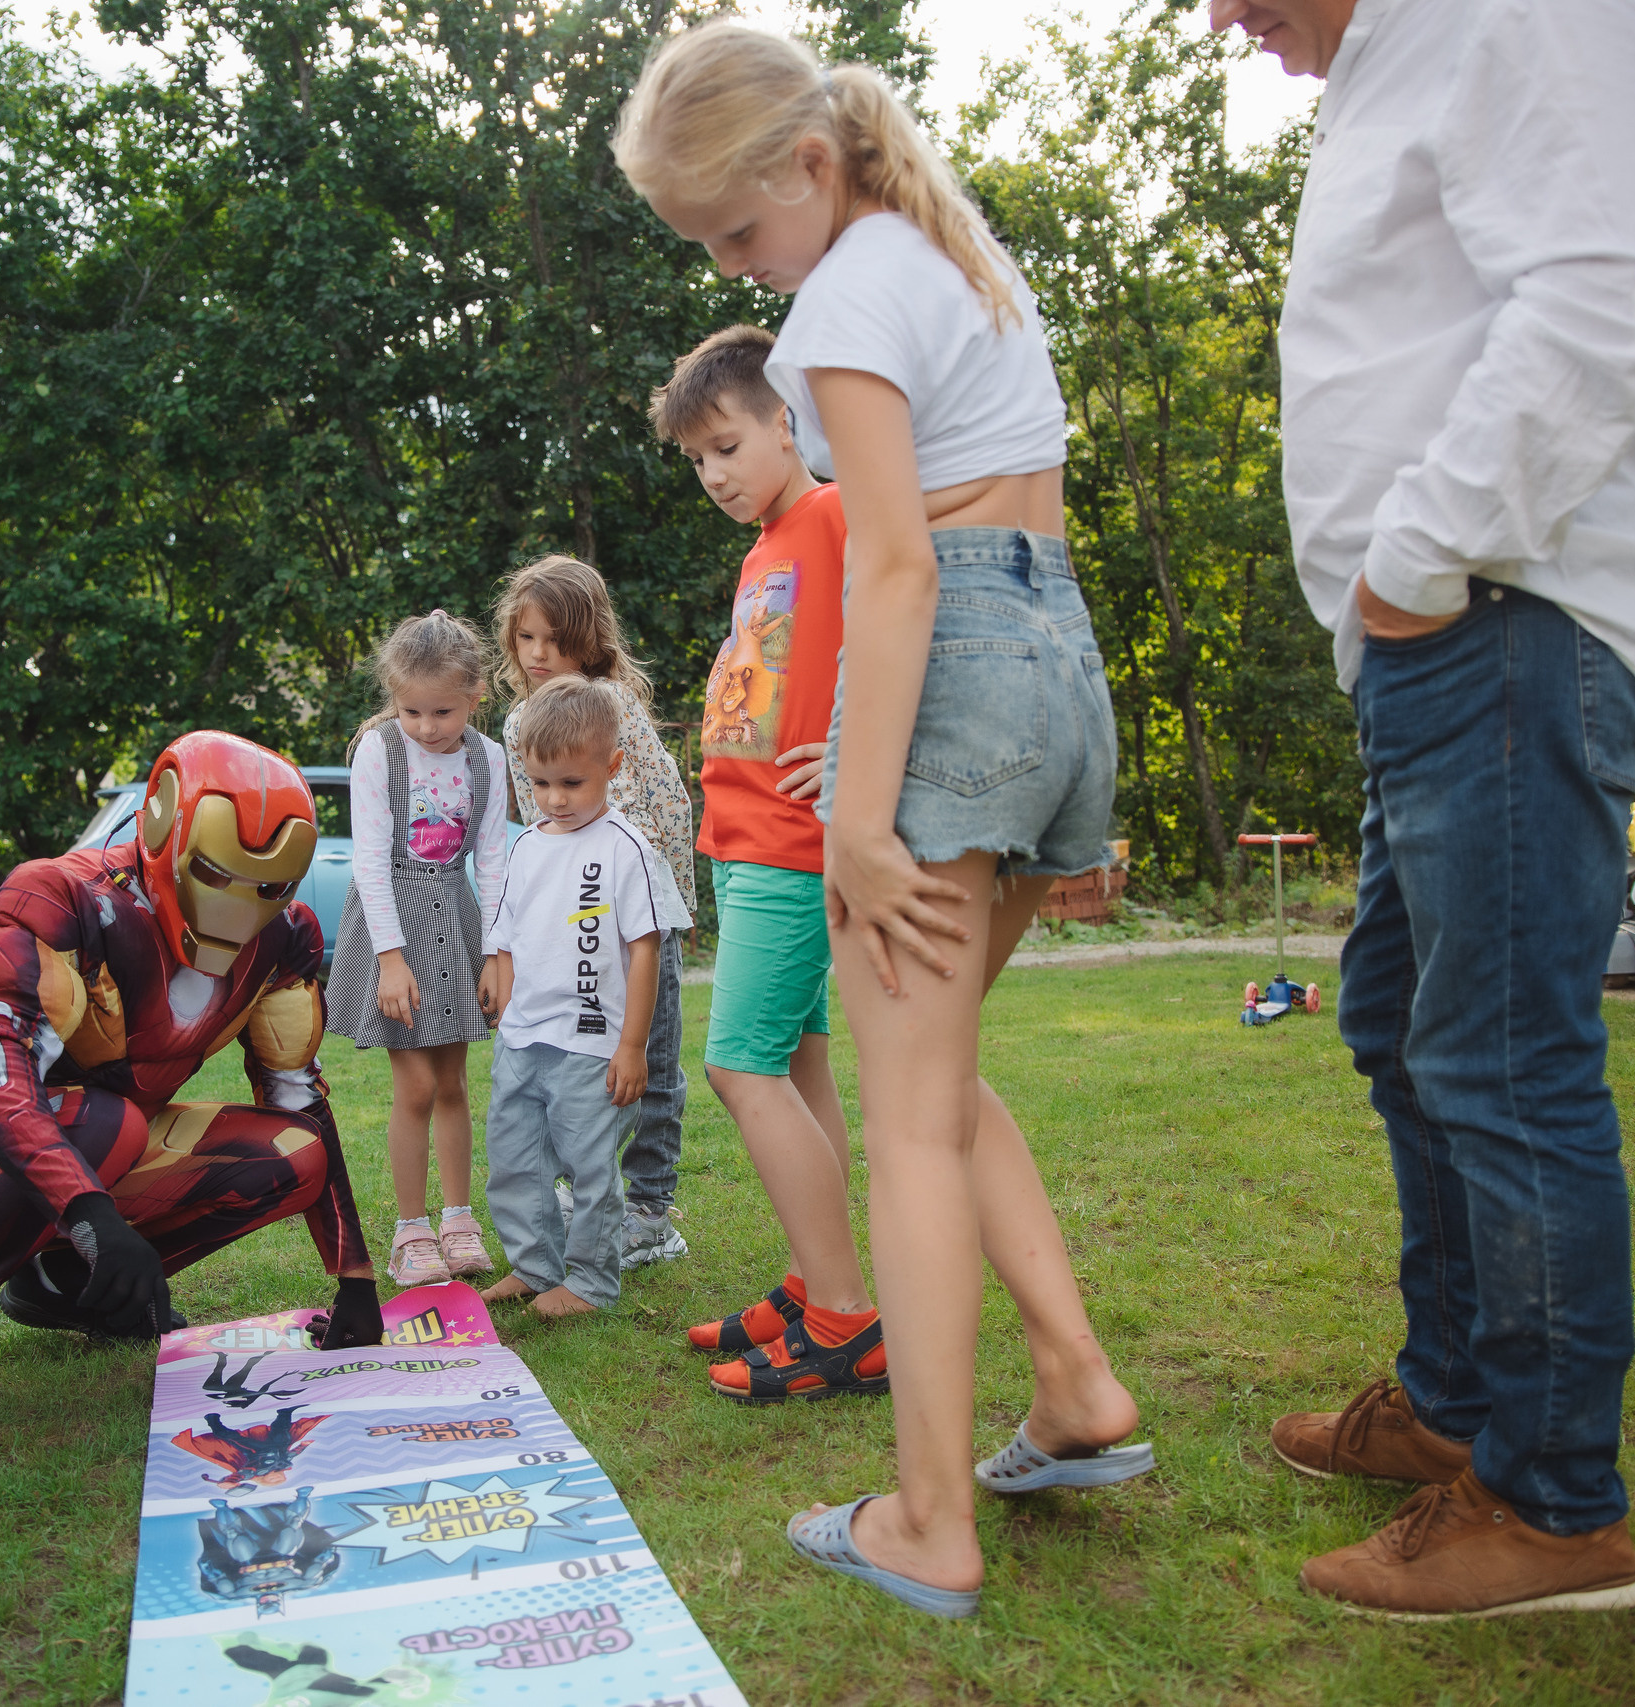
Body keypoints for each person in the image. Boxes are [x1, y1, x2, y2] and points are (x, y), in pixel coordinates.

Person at [615, 21, 1150, 1618]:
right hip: (1057, 653)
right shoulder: (951, 247)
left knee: (905, 1119)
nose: (736, 267)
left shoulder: (840, 298)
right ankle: (1074, 1386)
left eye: (731, 232)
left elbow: (902, 567)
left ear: (804, 164)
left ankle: (928, 1517)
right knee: (942, 1075)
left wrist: (853, 814)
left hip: (962, 656)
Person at [1210, 0, 1635, 1618]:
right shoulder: (1403, 42)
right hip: (1448, 635)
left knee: (1501, 1054)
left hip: (1511, 602)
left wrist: (1419, 558)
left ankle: (1556, 1498)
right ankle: (1455, 1404)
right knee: (1393, 1018)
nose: (1227, 16)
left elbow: (1606, 290)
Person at [0, 730, 385, 1437]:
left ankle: (64, 1284)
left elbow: (296, 1091)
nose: (238, 909)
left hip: (92, 1139)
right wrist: (92, 1216)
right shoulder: (58, 895)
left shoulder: (284, 936)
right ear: (162, 829)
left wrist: (353, 1274)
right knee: (109, 1123)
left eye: (265, 888)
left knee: (293, 1151)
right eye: (217, 873)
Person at [651, 324, 868, 1394]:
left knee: (736, 1064)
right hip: (741, 841)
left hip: (791, 847)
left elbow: (916, 610)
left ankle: (843, 1318)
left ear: (788, 420)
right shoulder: (765, 548)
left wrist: (863, 745)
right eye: (697, 459)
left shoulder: (832, 514)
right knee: (797, 1062)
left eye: (729, 446)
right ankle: (812, 1277)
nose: (714, 475)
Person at [493, 556, 696, 1270]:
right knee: (583, 1054)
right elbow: (536, 822)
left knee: (653, 1058)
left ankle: (649, 1207)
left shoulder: (616, 707)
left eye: (553, 637)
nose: (539, 654)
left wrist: (667, 902)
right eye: (526, 639)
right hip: (572, 921)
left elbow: (667, 801)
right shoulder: (522, 719)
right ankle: (590, 1185)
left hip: (639, 912)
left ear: (589, 637)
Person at [323, 610, 511, 1289]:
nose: (428, 726)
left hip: (453, 921)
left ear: (474, 695)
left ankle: (459, 1221)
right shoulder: (379, 750)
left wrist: (496, 951)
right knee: (419, 1085)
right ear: (393, 698)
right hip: (393, 926)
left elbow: (492, 860)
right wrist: (390, 959)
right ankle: (411, 1231)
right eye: (412, 710)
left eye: (444, 711)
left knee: (456, 1082)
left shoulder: (488, 758)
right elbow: (369, 860)